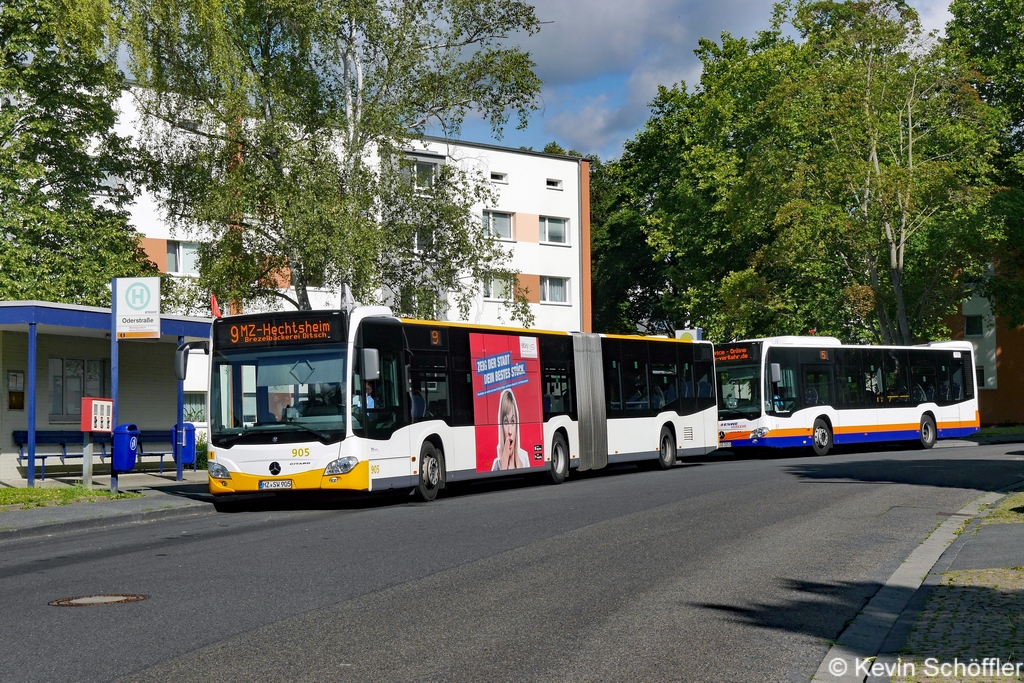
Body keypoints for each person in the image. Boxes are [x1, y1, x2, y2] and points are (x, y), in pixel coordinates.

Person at [492, 389, 529, 471]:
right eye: (505, 422)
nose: (509, 431)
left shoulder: (524, 460)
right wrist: (504, 464)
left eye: (512, 422)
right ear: (501, 427)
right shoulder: (496, 466)